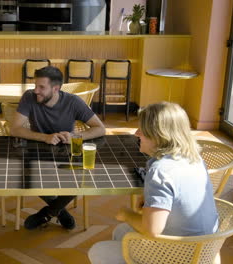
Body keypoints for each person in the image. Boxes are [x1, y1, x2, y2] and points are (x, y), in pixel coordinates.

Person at [88, 102, 219, 264]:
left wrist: (126, 214)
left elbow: (152, 230)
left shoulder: (161, 171)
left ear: (158, 135)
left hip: (182, 254)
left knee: (98, 252)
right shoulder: (194, 158)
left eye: (142, 130)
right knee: (121, 232)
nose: (136, 133)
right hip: (206, 248)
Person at [10, 66, 106, 230]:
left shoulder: (73, 101)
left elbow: (100, 128)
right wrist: (44, 137)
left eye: (41, 87)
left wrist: (75, 137)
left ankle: (47, 213)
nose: (36, 91)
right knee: (26, 176)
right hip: (37, 152)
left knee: (82, 178)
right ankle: (59, 211)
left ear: (56, 88)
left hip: (66, 153)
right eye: (35, 86)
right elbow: (15, 128)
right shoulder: (29, 97)